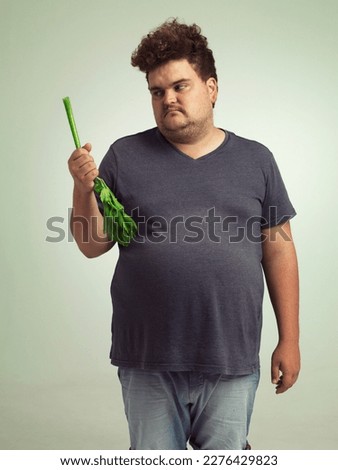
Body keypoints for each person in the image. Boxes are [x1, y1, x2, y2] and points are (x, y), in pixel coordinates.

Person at [67, 19, 300, 450]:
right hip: (148, 359)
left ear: (211, 88)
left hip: (231, 355)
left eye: (180, 86)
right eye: (157, 92)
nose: (168, 99)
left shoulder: (256, 159)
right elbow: (91, 243)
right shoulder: (124, 155)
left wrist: (290, 339)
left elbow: (279, 252)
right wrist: (83, 190)